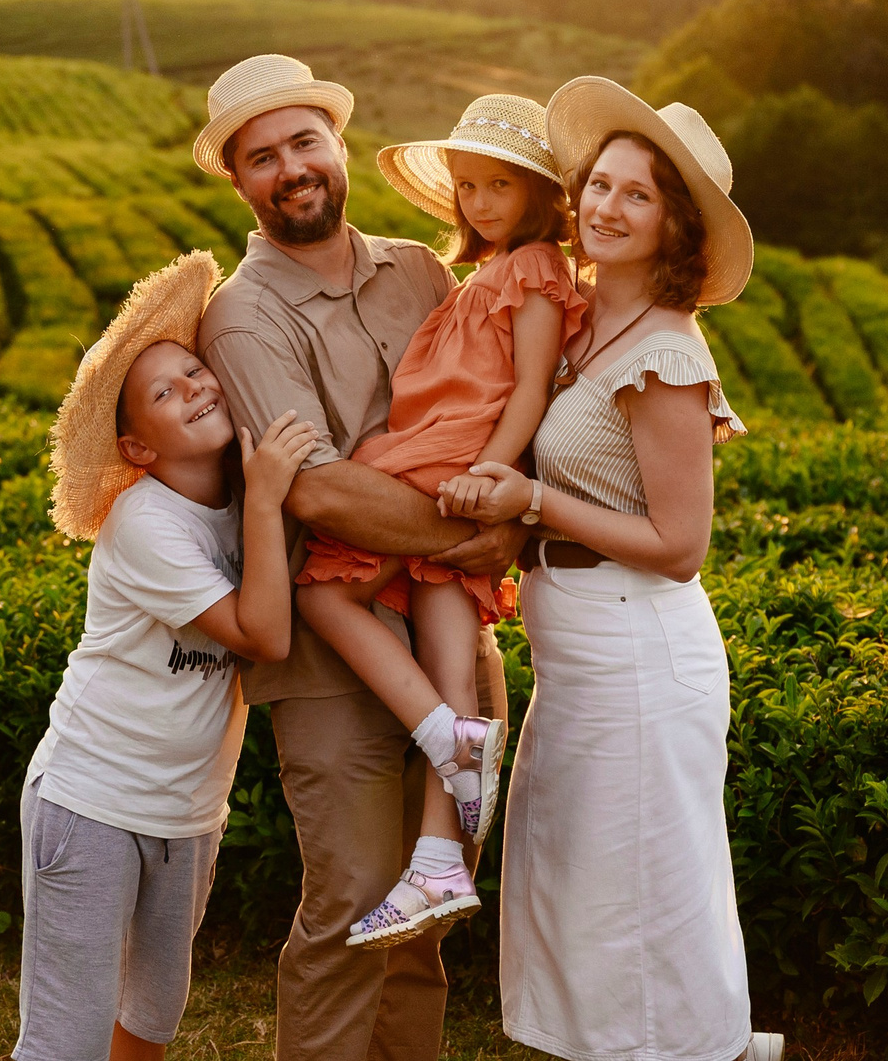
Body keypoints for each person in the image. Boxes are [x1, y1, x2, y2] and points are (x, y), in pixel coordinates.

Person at [439, 79, 784, 1061]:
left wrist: (532, 503)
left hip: (639, 644)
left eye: (639, 194)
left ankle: (690, 1048)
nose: (606, 206)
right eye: (599, 184)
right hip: (580, 645)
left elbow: (680, 547)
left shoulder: (668, 354)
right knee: (580, 881)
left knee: (635, 893)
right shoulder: (580, 319)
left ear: (674, 224)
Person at [189, 54, 526, 1061]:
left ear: (337, 147)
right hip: (335, 660)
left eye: (303, 141)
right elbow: (319, 488)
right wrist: (486, 534)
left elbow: (486, 413)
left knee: (423, 920)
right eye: (261, 156)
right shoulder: (244, 317)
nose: (289, 166)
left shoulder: (423, 271)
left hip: (455, 641)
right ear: (239, 181)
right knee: (348, 909)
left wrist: (513, 504)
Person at [294, 94, 587, 949]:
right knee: (443, 633)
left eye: (501, 183)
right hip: (441, 449)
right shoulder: (483, 271)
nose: (483, 202)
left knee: (323, 591)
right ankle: (438, 859)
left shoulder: (535, 267)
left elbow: (530, 384)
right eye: (468, 185)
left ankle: (440, 735)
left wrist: (492, 469)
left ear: (539, 193)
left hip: (453, 455)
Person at [14, 249, 323, 1061]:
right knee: (67, 1038)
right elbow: (265, 636)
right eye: (164, 391)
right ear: (138, 447)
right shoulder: (146, 522)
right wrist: (265, 496)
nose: (193, 387)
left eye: (195, 370)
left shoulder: (240, 495)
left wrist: (261, 497)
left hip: (188, 813)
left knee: (151, 1018)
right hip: (94, 801)